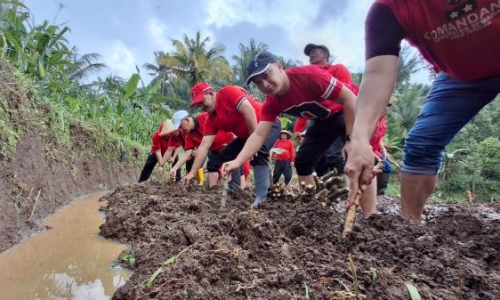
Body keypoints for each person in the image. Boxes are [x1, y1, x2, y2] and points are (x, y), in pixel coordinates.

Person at [344, 0, 500, 221]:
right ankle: (411, 230)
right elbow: (378, 75)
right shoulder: (389, 9)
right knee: (421, 144)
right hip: (458, 76)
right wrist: (359, 139)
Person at [223, 51, 378, 216]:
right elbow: (259, 135)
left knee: (358, 155)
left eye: (267, 75)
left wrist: (352, 139)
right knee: (303, 162)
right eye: (259, 82)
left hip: (348, 110)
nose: (265, 84)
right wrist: (237, 161)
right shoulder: (272, 103)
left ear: (280, 66)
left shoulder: (309, 76)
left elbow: (349, 99)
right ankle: (314, 212)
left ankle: (370, 217)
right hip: (322, 120)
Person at [182, 82, 281, 207]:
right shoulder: (211, 119)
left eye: (202, 102)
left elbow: (249, 110)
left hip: (267, 124)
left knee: (258, 152)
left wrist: (254, 143)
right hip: (247, 136)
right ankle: (235, 188)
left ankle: (261, 199)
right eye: (198, 105)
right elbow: (204, 146)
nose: (201, 107)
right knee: (225, 154)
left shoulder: (228, 92)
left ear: (211, 94)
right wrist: (192, 172)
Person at [295, 43, 356, 176]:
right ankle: (327, 191)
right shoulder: (308, 76)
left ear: (325, 54)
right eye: (309, 53)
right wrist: (298, 129)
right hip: (319, 119)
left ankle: (344, 191)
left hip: (338, 117)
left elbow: (348, 94)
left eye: (314, 51)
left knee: (335, 157)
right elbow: (306, 103)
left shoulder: (337, 69)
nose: (310, 54)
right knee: (316, 161)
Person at [169, 110, 235, 188]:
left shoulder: (205, 117)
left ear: (187, 120)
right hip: (215, 150)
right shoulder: (189, 136)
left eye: (180, 126)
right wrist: (174, 168)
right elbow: (187, 154)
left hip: (230, 144)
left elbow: (228, 122)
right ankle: (213, 191)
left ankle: (237, 191)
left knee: (237, 171)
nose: (181, 130)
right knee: (212, 166)